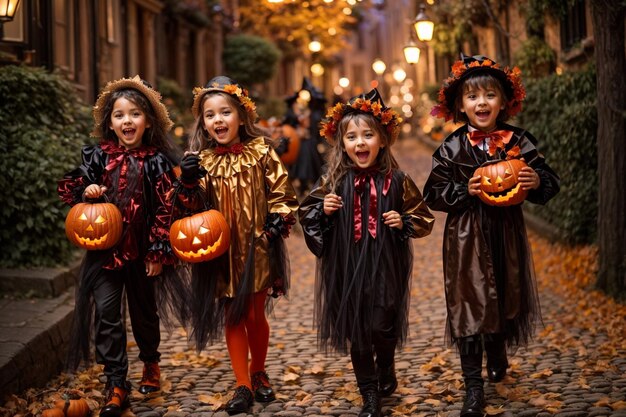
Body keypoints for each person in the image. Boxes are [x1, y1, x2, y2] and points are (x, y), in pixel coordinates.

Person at [423, 54, 560, 416]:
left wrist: (536, 182)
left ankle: (497, 348)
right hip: (466, 237)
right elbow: (432, 193)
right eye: (472, 97)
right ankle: (473, 385)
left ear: (503, 101)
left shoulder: (519, 141)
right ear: (460, 105)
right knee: (469, 302)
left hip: (506, 233)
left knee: (505, 294)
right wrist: (462, 190)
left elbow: (550, 181)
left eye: (489, 95)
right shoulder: (451, 148)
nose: (481, 103)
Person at [299, 89, 435, 417]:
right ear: (342, 143)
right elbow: (307, 214)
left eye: (368, 135)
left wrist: (402, 220)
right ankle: (369, 393)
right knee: (358, 328)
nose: (360, 143)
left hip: (386, 263)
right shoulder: (332, 181)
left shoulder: (397, 181)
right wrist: (324, 211)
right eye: (351, 136)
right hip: (346, 265)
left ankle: (386, 363)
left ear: (383, 140)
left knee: (381, 325)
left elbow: (424, 218)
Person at [58, 76, 186, 417]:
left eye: (134, 114)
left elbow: (167, 208)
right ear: (110, 122)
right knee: (107, 315)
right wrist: (87, 191)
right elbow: (72, 186)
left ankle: (150, 362)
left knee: (145, 314)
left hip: (144, 252)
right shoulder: (97, 156)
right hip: (105, 252)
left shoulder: (158, 161)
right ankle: (116, 381)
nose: (127, 121)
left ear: (147, 121)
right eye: (119, 115)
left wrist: (159, 251)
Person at [174, 76, 299, 415]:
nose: (218, 120)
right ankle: (242, 383)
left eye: (225, 112)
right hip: (220, 251)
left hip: (257, 245)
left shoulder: (261, 152)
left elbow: (282, 194)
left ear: (241, 116)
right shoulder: (201, 161)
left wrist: (278, 218)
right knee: (232, 315)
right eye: (210, 115)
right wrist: (186, 180)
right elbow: (187, 209)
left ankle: (258, 371)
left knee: (255, 315)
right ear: (203, 122)